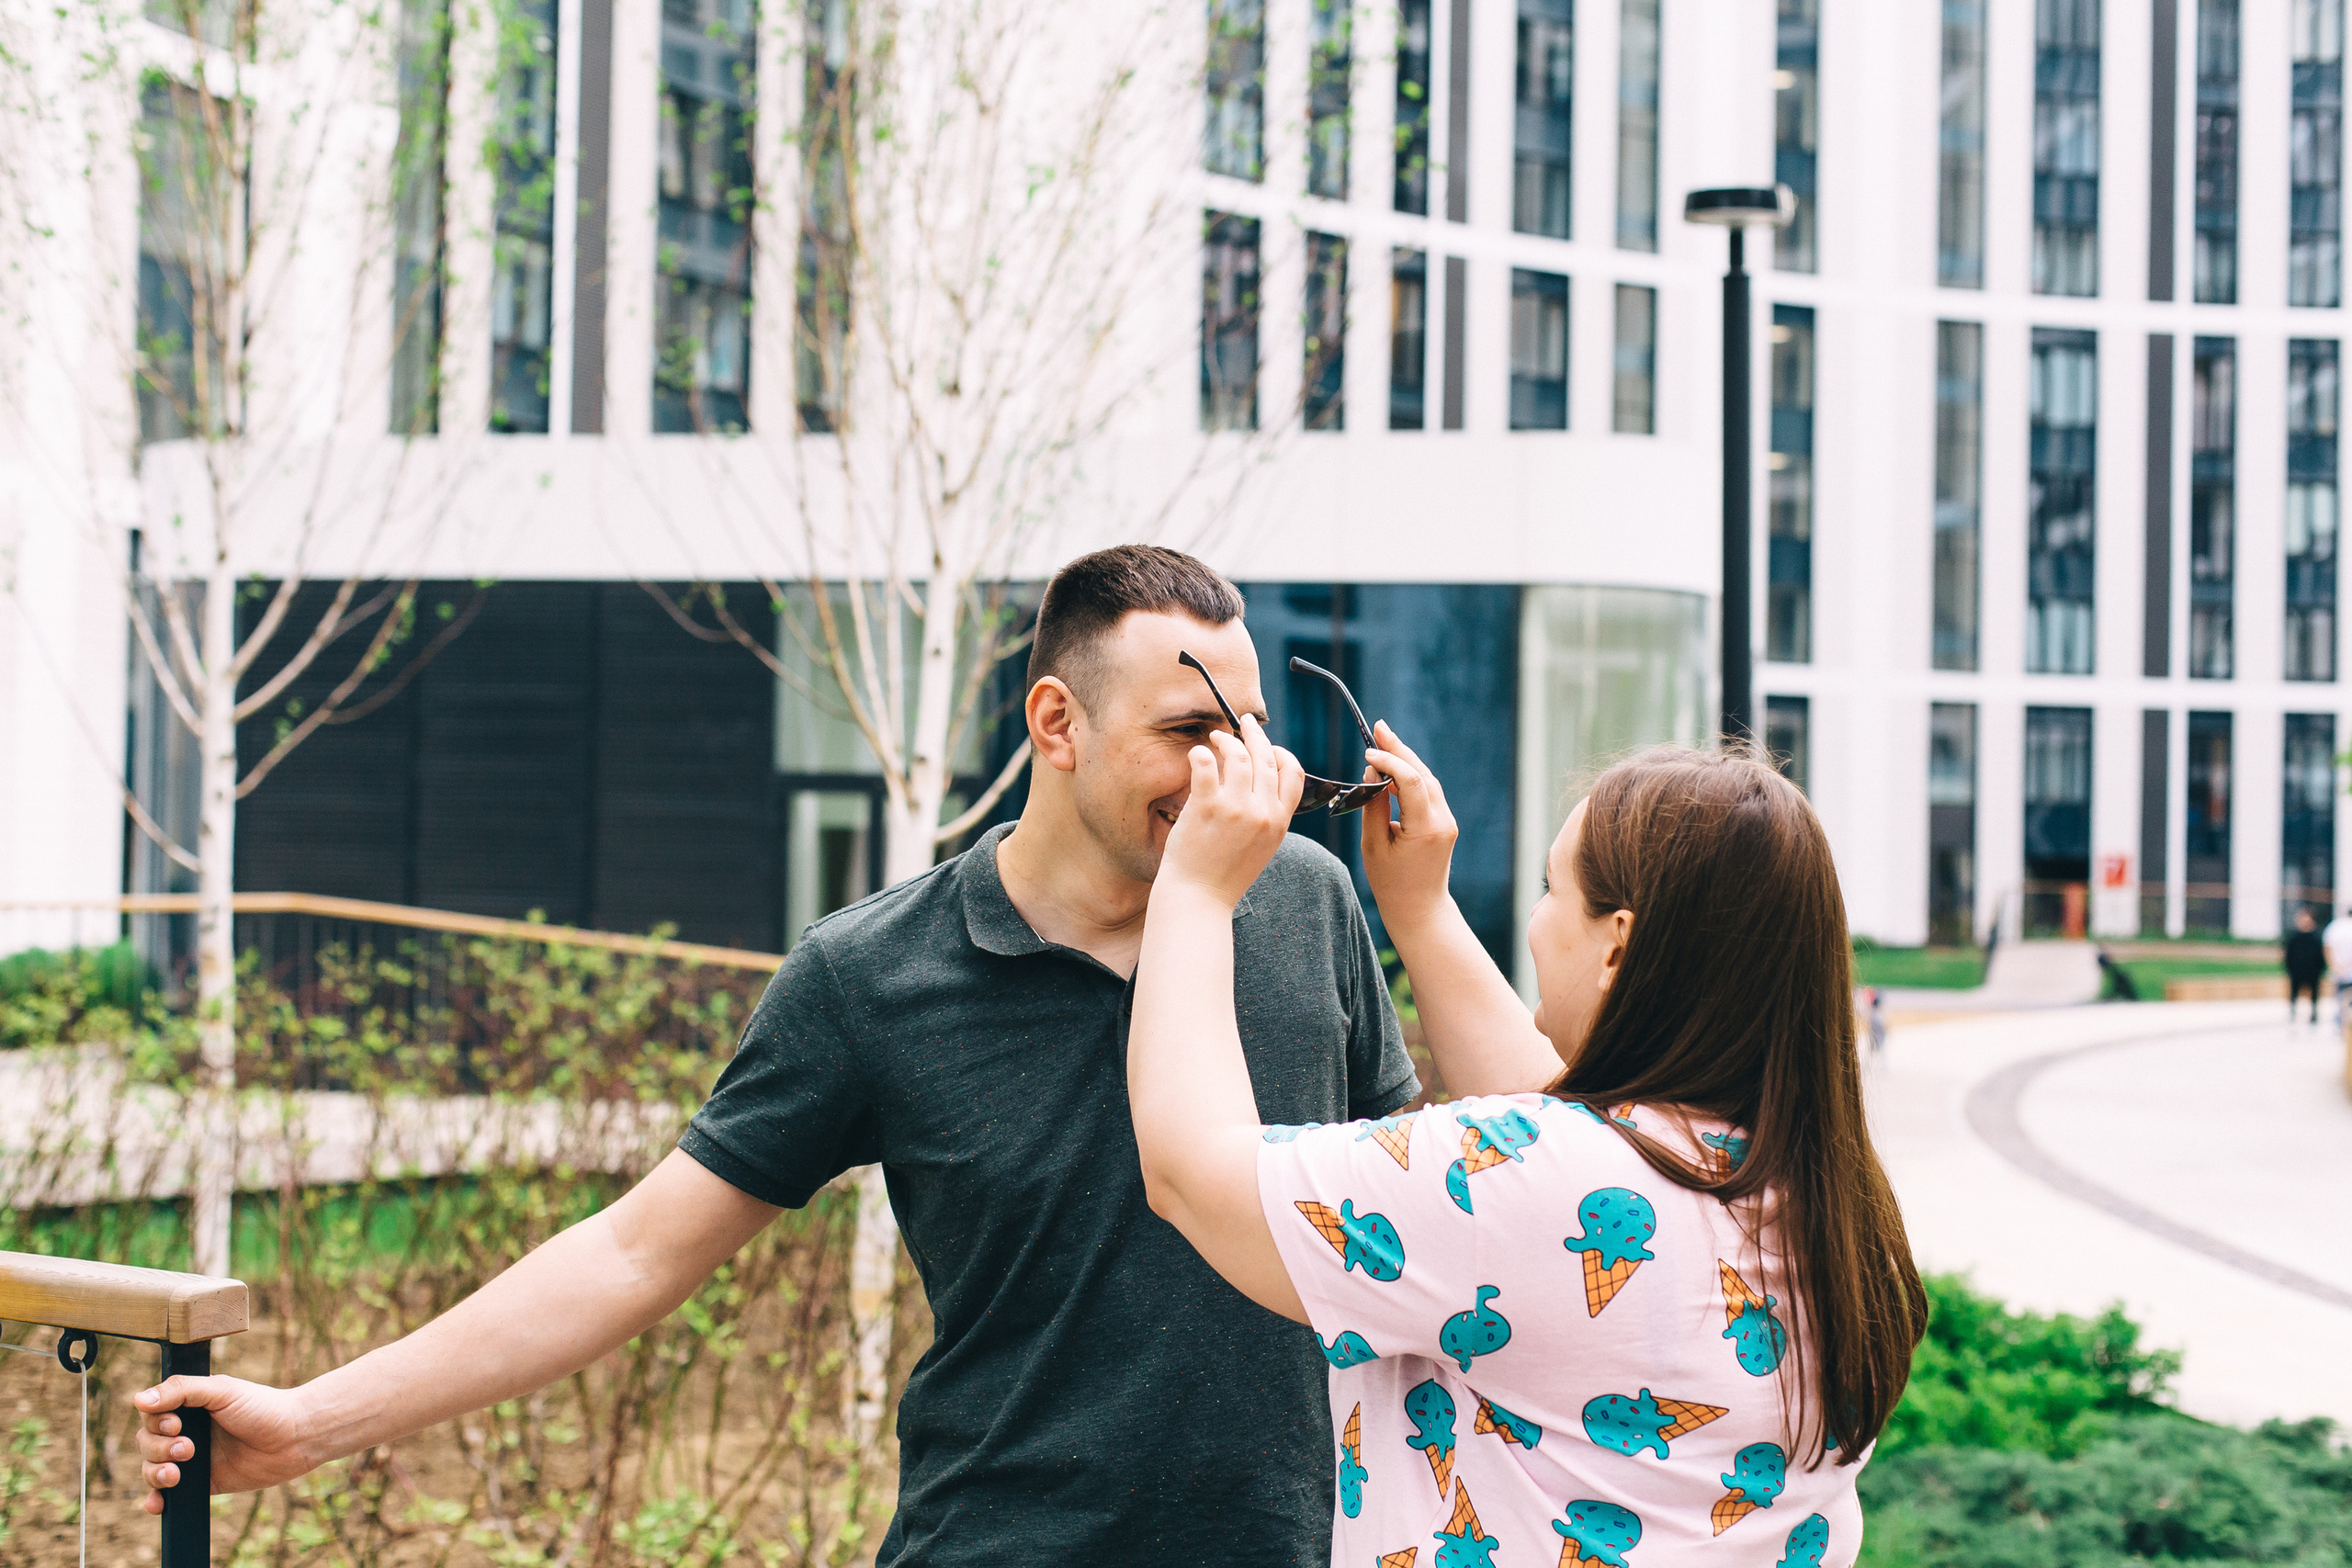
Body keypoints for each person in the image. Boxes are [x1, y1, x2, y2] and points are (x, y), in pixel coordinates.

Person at [133, 546, 1419, 1567]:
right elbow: (635, 1252)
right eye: (1192, 728)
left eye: (1254, 728)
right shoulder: (873, 975)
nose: (1241, 772)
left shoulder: (1303, 901)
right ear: (1055, 721)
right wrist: (311, 1422)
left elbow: (1413, 1229)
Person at [1125, 727, 1926, 1568]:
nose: (1538, 920)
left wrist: (1196, 886)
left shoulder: (1532, 1184)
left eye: (1552, 888)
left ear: (1617, 944)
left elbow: (1192, 1168)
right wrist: (1419, 908)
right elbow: (1560, 1146)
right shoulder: (1832, 1206)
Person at [2285, 908, 2327, 1025]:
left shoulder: (2316, 936)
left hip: (2313, 970)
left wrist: (2321, 968)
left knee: (2314, 993)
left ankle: (2313, 1013)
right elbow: (2289, 954)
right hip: (2297, 969)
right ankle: (2293, 1012)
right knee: (2294, 992)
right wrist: (2289, 968)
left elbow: (2321, 954)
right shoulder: (2294, 936)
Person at [2323, 905, 2352, 1030]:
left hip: (2338, 970)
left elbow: (2327, 947)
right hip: (2347, 969)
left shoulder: (2335, 927)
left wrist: (2333, 965)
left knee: (2340, 999)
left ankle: (2341, 1024)